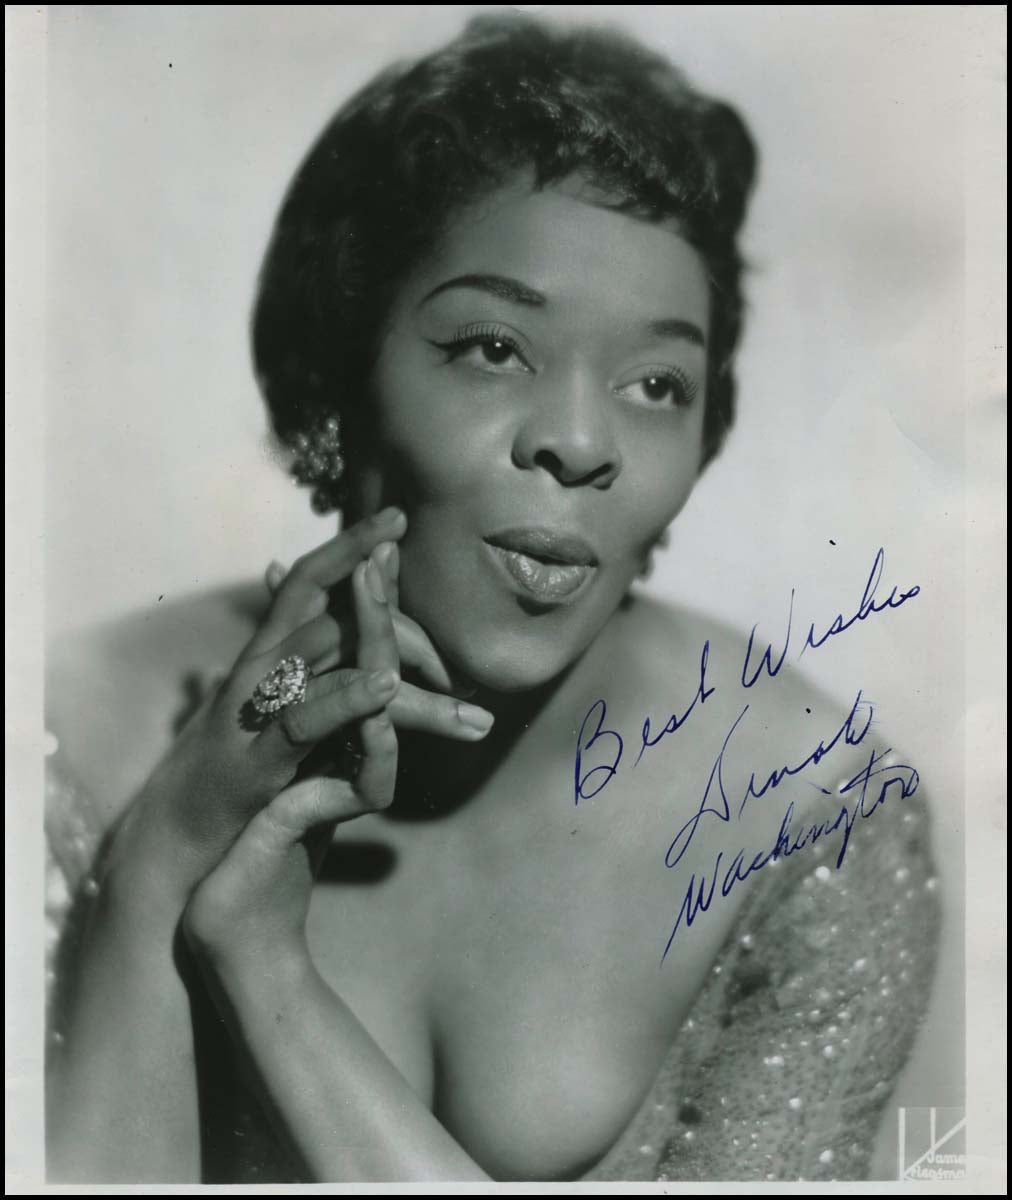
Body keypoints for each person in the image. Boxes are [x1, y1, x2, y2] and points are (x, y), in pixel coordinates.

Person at [43, 12, 941, 1184]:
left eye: (655, 384)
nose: (580, 441)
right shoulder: (62, 739)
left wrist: (264, 969)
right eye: (494, 348)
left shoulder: (812, 814)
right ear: (336, 382)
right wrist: (156, 856)